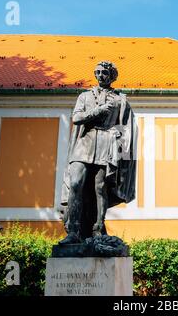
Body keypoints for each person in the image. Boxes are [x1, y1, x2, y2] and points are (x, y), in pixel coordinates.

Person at [58, 61, 137, 245]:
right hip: (85, 143)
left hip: (106, 145)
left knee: (100, 188)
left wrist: (120, 145)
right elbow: (77, 118)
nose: (101, 75)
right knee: (76, 182)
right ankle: (73, 230)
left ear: (112, 75)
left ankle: (98, 229)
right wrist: (98, 111)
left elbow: (126, 128)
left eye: (104, 72)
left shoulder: (120, 100)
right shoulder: (84, 96)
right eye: (98, 72)